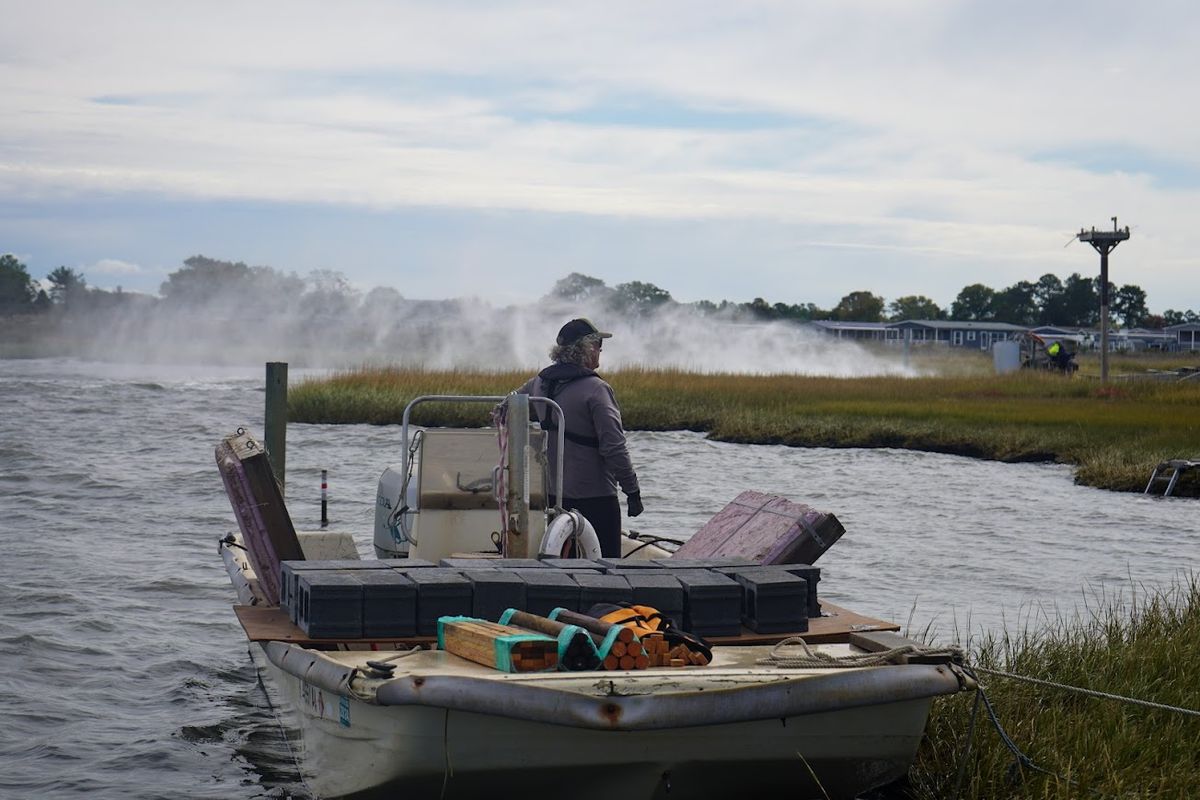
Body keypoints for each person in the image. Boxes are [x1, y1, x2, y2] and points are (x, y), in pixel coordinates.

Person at [519, 317, 642, 558]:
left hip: (555, 498)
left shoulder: (538, 384)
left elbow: (506, 407)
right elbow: (615, 448)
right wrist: (632, 492)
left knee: (563, 564)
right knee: (606, 567)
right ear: (586, 349)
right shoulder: (597, 390)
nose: (600, 351)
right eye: (598, 345)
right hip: (596, 499)